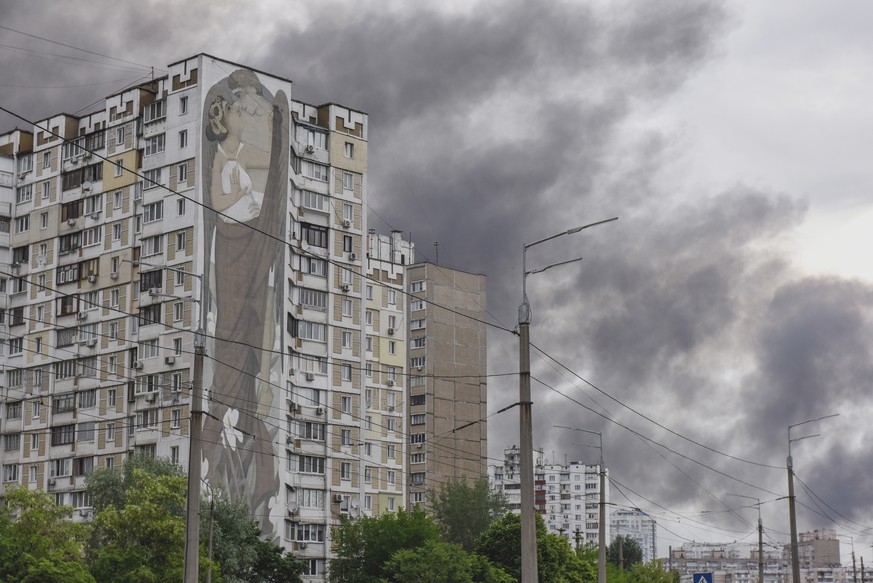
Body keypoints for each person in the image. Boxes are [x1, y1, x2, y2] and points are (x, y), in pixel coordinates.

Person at [200, 69, 288, 536]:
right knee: (230, 326)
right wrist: (240, 192)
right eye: (238, 109)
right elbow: (216, 201)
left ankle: (247, 435)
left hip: (251, 238)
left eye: (246, 109)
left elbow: (270, 167)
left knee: (256, 313)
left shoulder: (244, 152)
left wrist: (278, 132)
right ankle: (224, 432)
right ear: (225, 116)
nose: (242, 115)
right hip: (229, 243)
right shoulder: (217, 155)